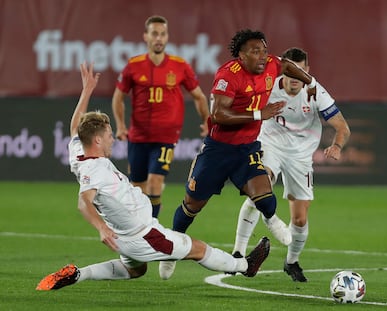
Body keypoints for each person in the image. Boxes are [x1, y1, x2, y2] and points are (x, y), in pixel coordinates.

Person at [35, 62, 270, 291]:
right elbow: (83, 201)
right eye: (108, 135)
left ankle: (78, 274)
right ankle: (245, 266)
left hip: (125, 235)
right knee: (197, 249)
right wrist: (100, 228)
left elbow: (75, 126)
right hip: (144, 235)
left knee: (134, 271)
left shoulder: (78, 152)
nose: (112, 139)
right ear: (97, 140)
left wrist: (86, 91)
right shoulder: (93, 170)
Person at [159, 30, 319, 279]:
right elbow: (219, 115)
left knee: (266, 199)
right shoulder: (228, 75)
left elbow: (285, 65)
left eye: (265, 50)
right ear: (241, 56)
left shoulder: (270, 66)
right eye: (256, 52)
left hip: (246, 149)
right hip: (218, 150)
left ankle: (270, 218)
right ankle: (171, 251)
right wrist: (259, 114)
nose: (263, 56)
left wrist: (310, 82)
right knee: (192, 205)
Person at [231, 47, 351, 282]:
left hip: (300, 156)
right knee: (259, 189)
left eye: (301, 73)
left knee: (299, 219)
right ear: (284, 71)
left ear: (307, 72)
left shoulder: (316, 92)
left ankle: (291, 261)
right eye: (291, 73)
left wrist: (336, 146)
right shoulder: (269, 87)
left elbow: (342, 127)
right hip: (271, 144)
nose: (295, 79)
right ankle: (238, 252)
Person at [112, 15, 209, 218]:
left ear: (167, 37)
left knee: (155, 182)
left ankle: (151, 228)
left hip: (166, 136)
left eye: (163, 34)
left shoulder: (180, 65)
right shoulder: (133, 65)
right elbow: (118, 98)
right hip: (138, 136)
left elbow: (199, 96)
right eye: (154, 34)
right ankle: (139, 227)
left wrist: (207, 121)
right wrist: (120, 126)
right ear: (145, 36)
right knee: (137, 186)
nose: (159, 38)